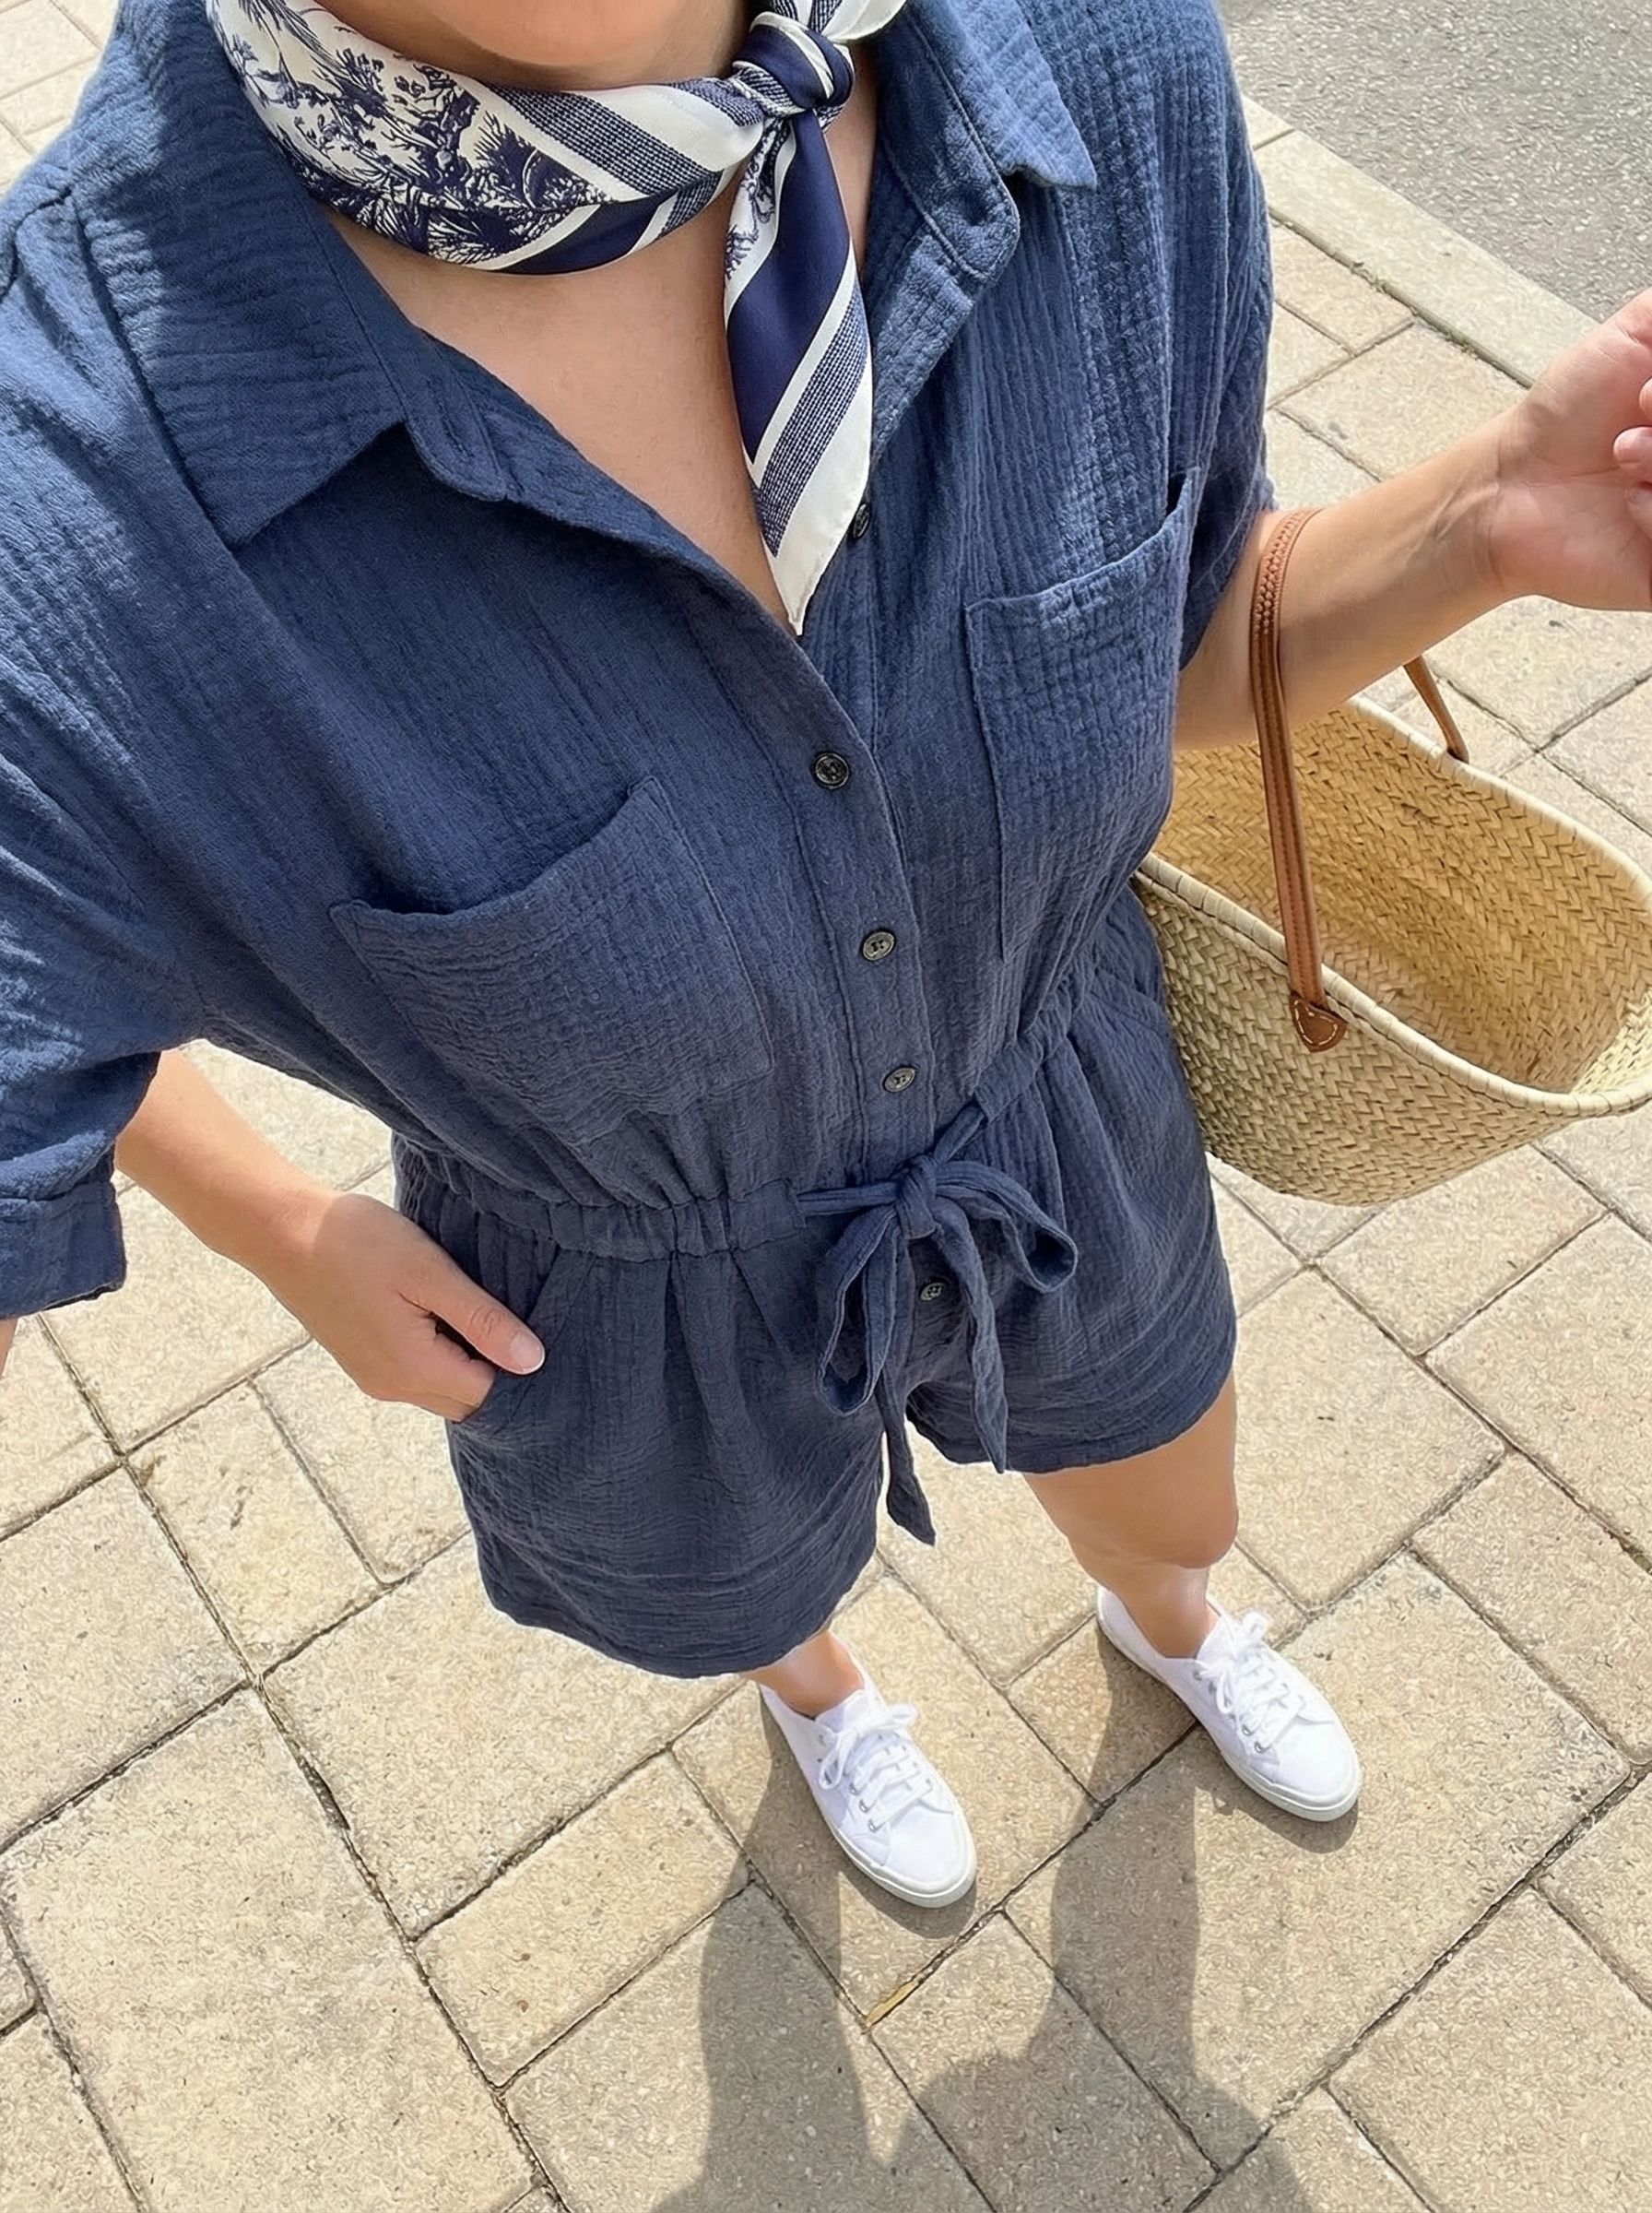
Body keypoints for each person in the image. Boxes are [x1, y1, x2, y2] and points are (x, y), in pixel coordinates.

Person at [1, 0, 1648, 1911]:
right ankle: (820, 1696)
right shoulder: (71, 509)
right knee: (752, 1595)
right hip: (629, 1310)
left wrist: (1480, 522)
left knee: (1169, 1497)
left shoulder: (1096, 70)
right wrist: (272, 1223)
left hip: (1065, 1120)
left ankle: (1172, 1627)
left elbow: (1181, 659)